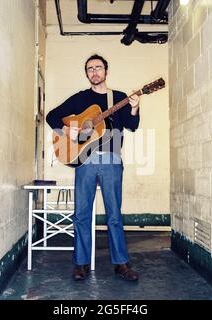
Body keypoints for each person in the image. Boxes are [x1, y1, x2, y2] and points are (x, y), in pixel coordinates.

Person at [46, 54, 140, 281]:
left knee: (114, 214)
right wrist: (67, 130)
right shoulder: (80, 99)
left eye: (98, 68)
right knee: (81, 213)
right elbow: (52, 116)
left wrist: (135, 108)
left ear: (106, 71)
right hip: (85, 160)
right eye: (90, 69)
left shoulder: (118, 98)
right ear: (87, 74)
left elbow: (132, 126)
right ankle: (81, 263)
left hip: (111, 159)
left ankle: (121, 263)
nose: (94, 72)